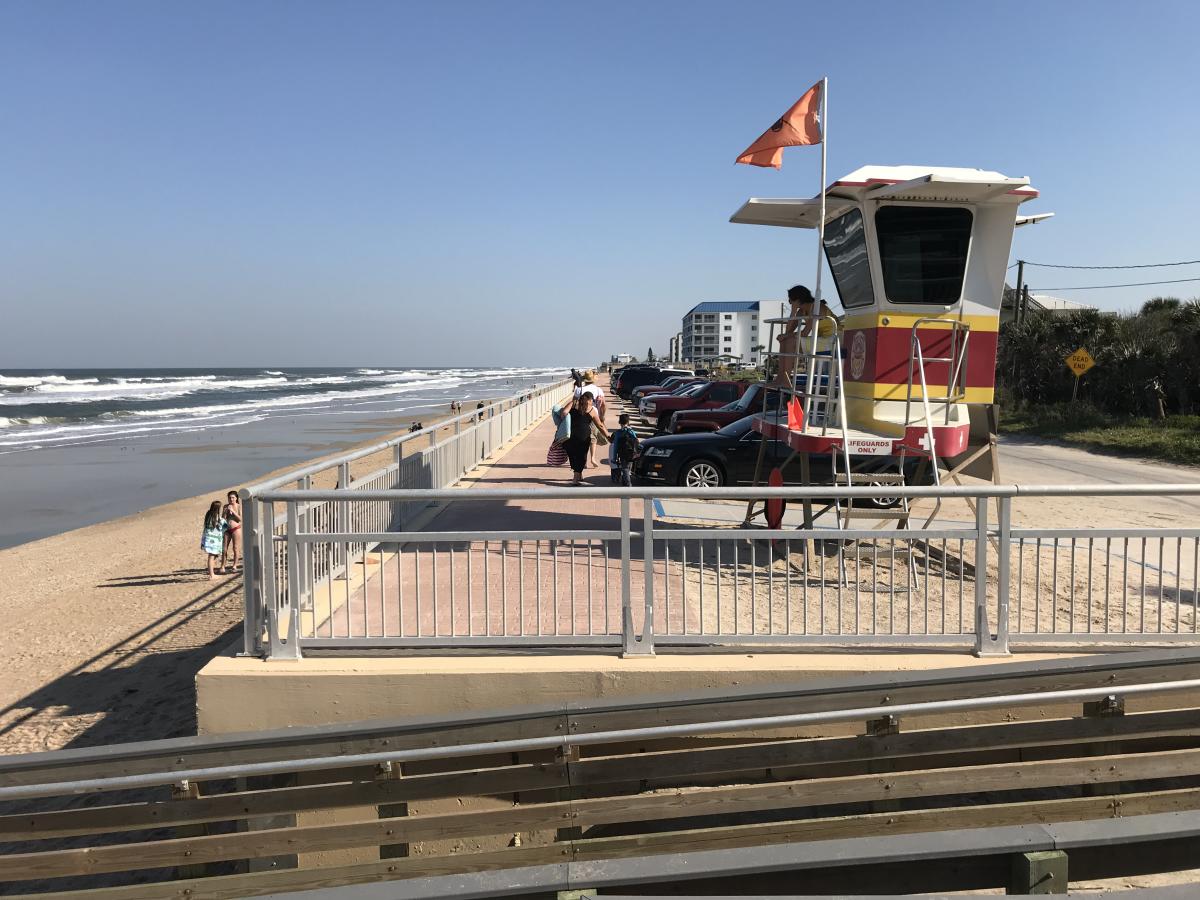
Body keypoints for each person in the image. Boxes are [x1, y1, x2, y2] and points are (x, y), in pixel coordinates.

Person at [562, 392, 605, 485]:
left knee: (573, 455)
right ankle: (575, 479)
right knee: (581, 456)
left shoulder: (573, 403)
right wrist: (608, 436)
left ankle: (578, 475)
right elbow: (600, 425)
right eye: (592, 400)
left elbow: (564, 413)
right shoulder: (591, 409)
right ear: (589, 400)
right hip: (584, 436)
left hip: (570, 435)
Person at [577, 370, 606, 467]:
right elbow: (603, 405)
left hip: (581, 415)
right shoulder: (598, 390)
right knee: (593, 438)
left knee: (582, 438)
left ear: (584, 380)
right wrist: (602, 416)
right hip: (594, 415)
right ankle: (592, 458)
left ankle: (584, 460)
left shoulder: (579, 390)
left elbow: (574, 403)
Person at [609, 413, 639, 486]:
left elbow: (615, 447)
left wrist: (614, 458)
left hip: (622, 454)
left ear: (619, 422)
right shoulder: (631, 431)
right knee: (628, 469)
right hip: (631, 453)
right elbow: (636, 442)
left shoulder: (618, 433)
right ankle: (625, 482)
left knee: (625, 468)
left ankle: (628, 484)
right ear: (628, 422)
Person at [200, 500, 227, 580]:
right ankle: (212, 575)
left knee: (212, 556)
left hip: (208, 539)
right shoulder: (218, 518)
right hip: (214, 541)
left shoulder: (208, 515)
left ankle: (212, 572)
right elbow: (224, 526)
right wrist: (224, 515)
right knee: (211, 557)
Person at [221, 490, 242, 573]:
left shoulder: (239, 506)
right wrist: (225, 512)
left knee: (235, 548)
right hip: (227, 529)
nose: (231, 499)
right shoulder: (226, 506)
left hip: (236, 529)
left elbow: (240, 519)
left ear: (236, 498)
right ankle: (222, 566)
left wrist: (233, 511)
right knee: (224, 549)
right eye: (229, 498)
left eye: (233, 497)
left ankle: (234, 566)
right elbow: (223, 519)